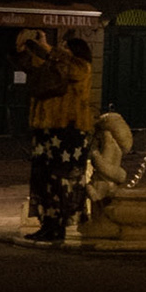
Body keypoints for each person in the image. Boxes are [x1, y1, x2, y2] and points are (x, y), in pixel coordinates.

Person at [15, 30, 93, 243]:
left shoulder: (81, 67)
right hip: (46, 130)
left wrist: (49, 48)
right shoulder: (55, 67)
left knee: (61, 180)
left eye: (66, 47)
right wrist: (24, 50)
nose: (61, 51)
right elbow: (32, 69)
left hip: (68, 130)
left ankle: (58, 228)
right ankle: (47, 225)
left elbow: (69, 66)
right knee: (43, 179)